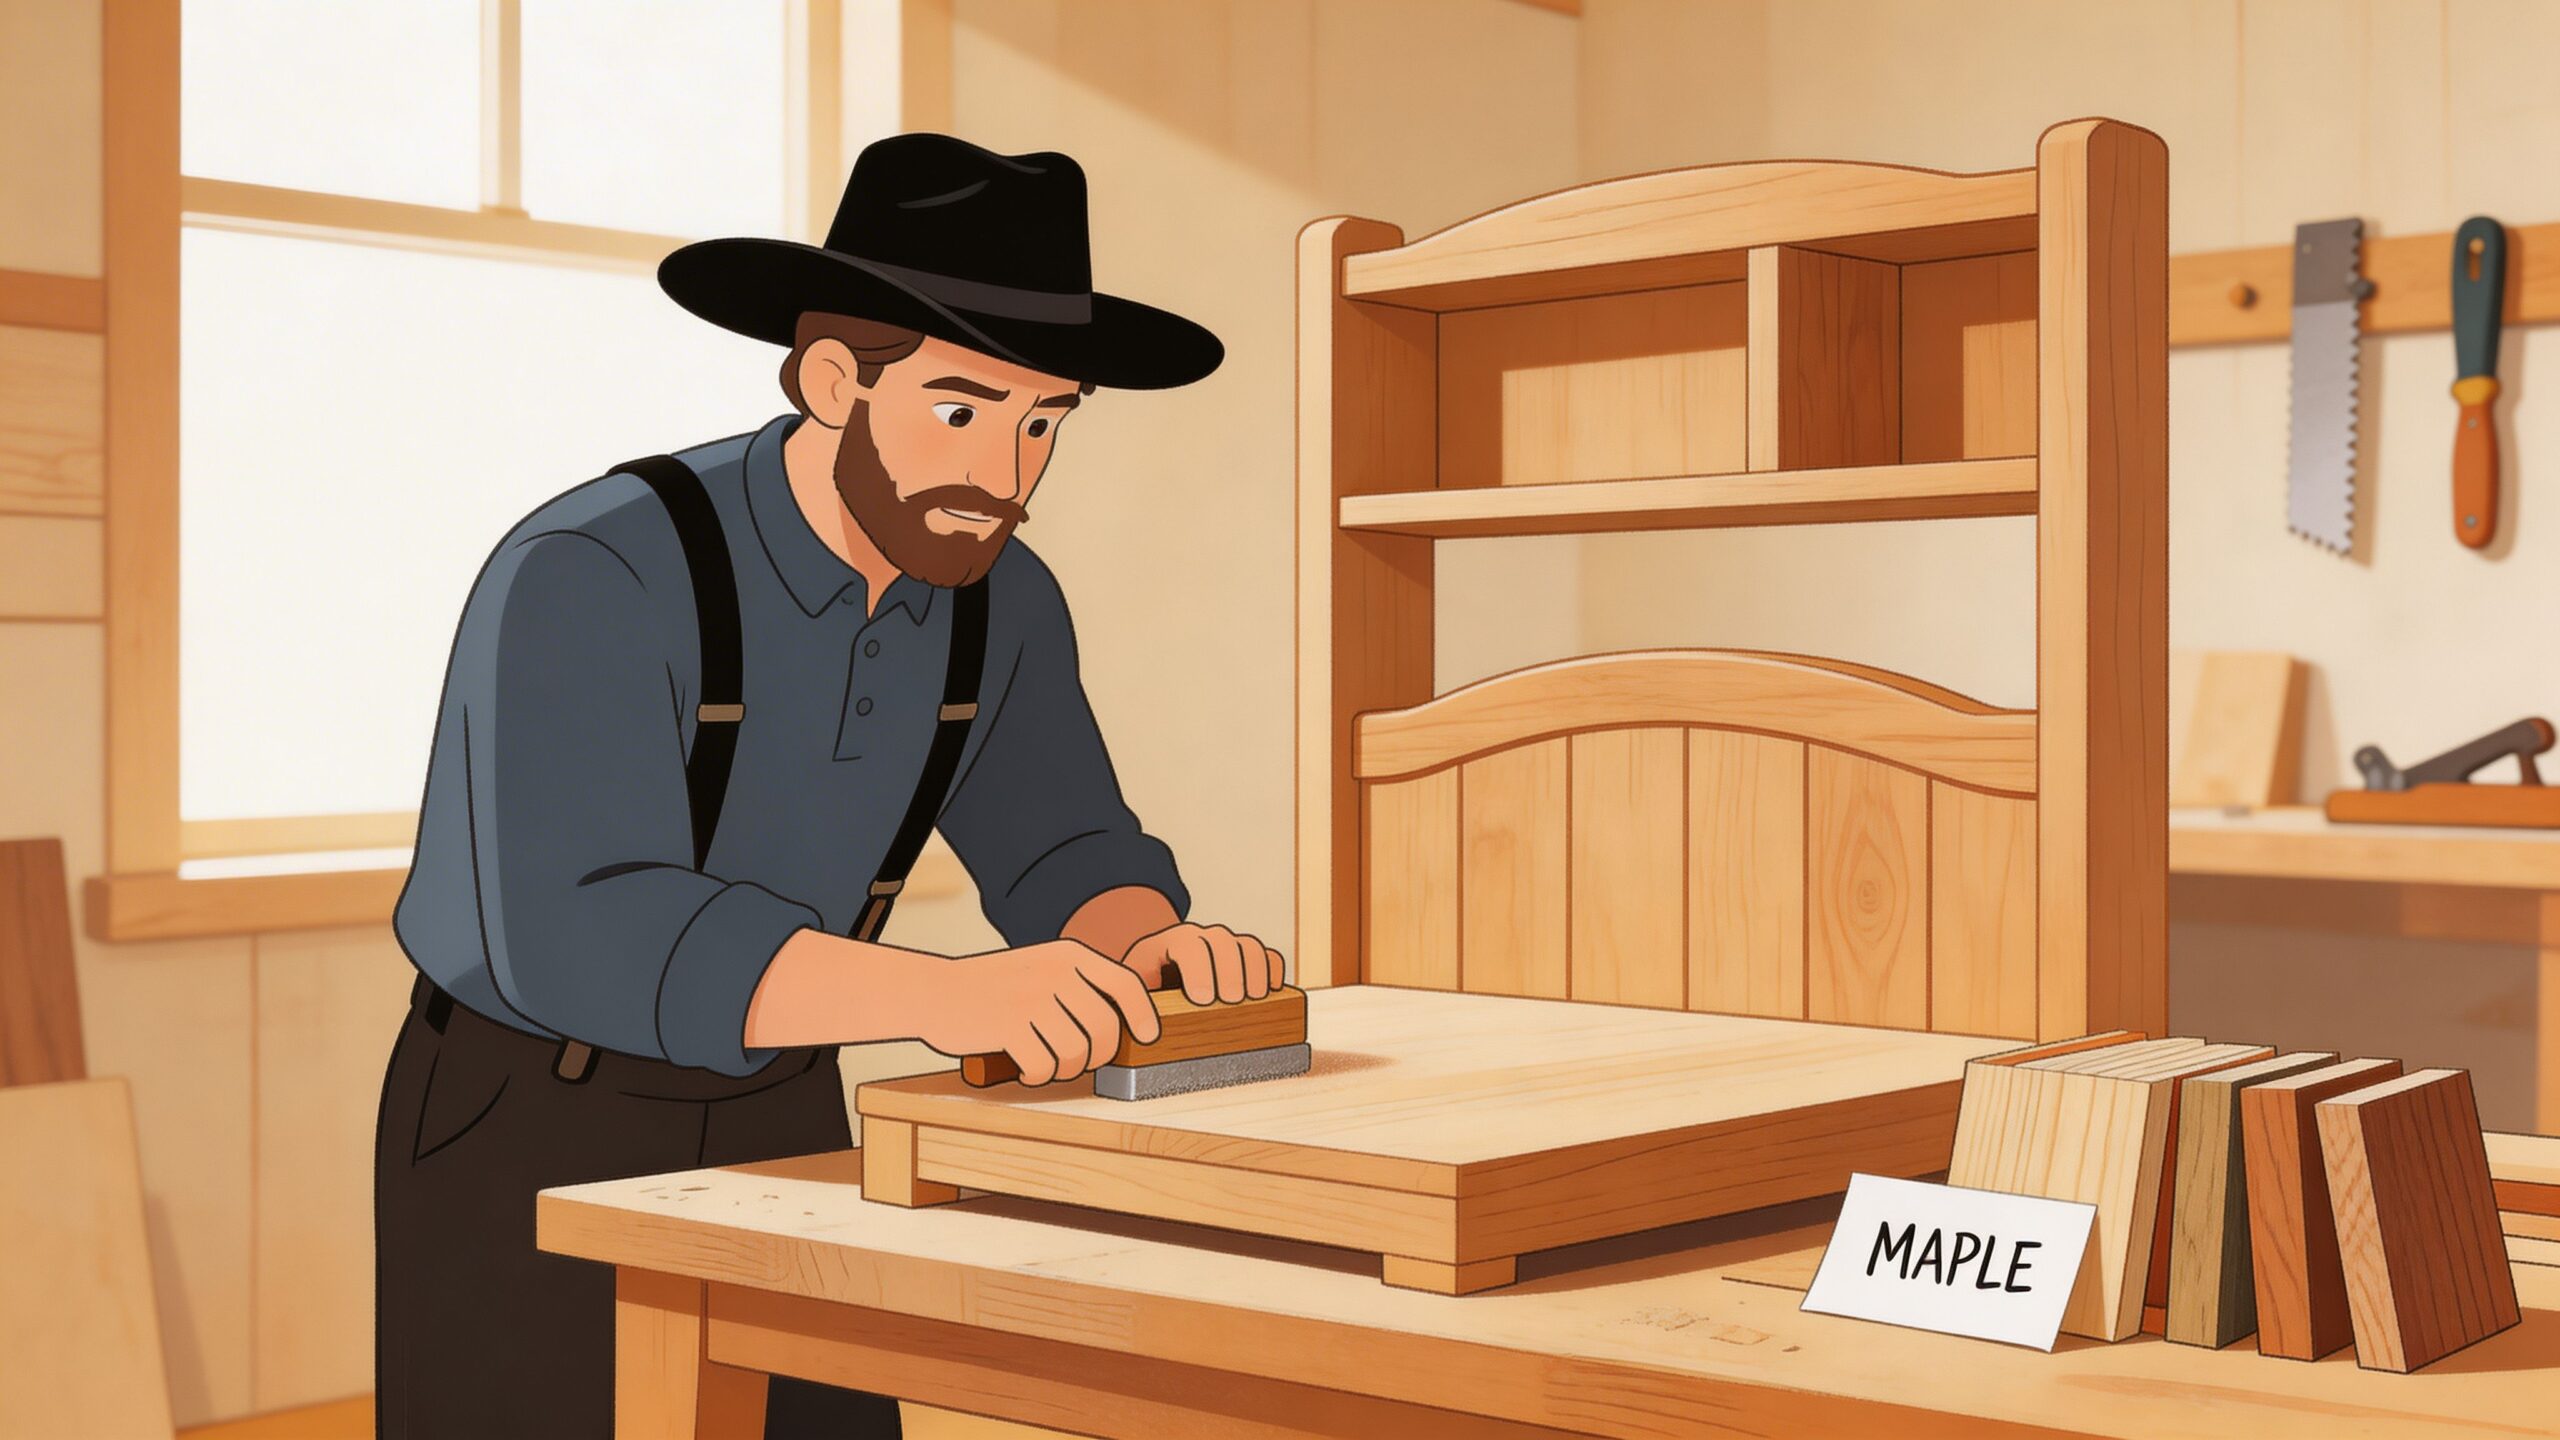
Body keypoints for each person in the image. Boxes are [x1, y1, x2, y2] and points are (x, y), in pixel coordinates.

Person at [375, 132, 1276, 1437]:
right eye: (964, 410)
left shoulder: (998, 600)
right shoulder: (593, 569)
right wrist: (946, 998)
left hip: (785, 1102)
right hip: (531, 1115)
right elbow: (585, 923)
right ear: (832, 380)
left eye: (1044, 422)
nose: (1009, 472)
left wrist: (1147, 944)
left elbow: (1061, 841)